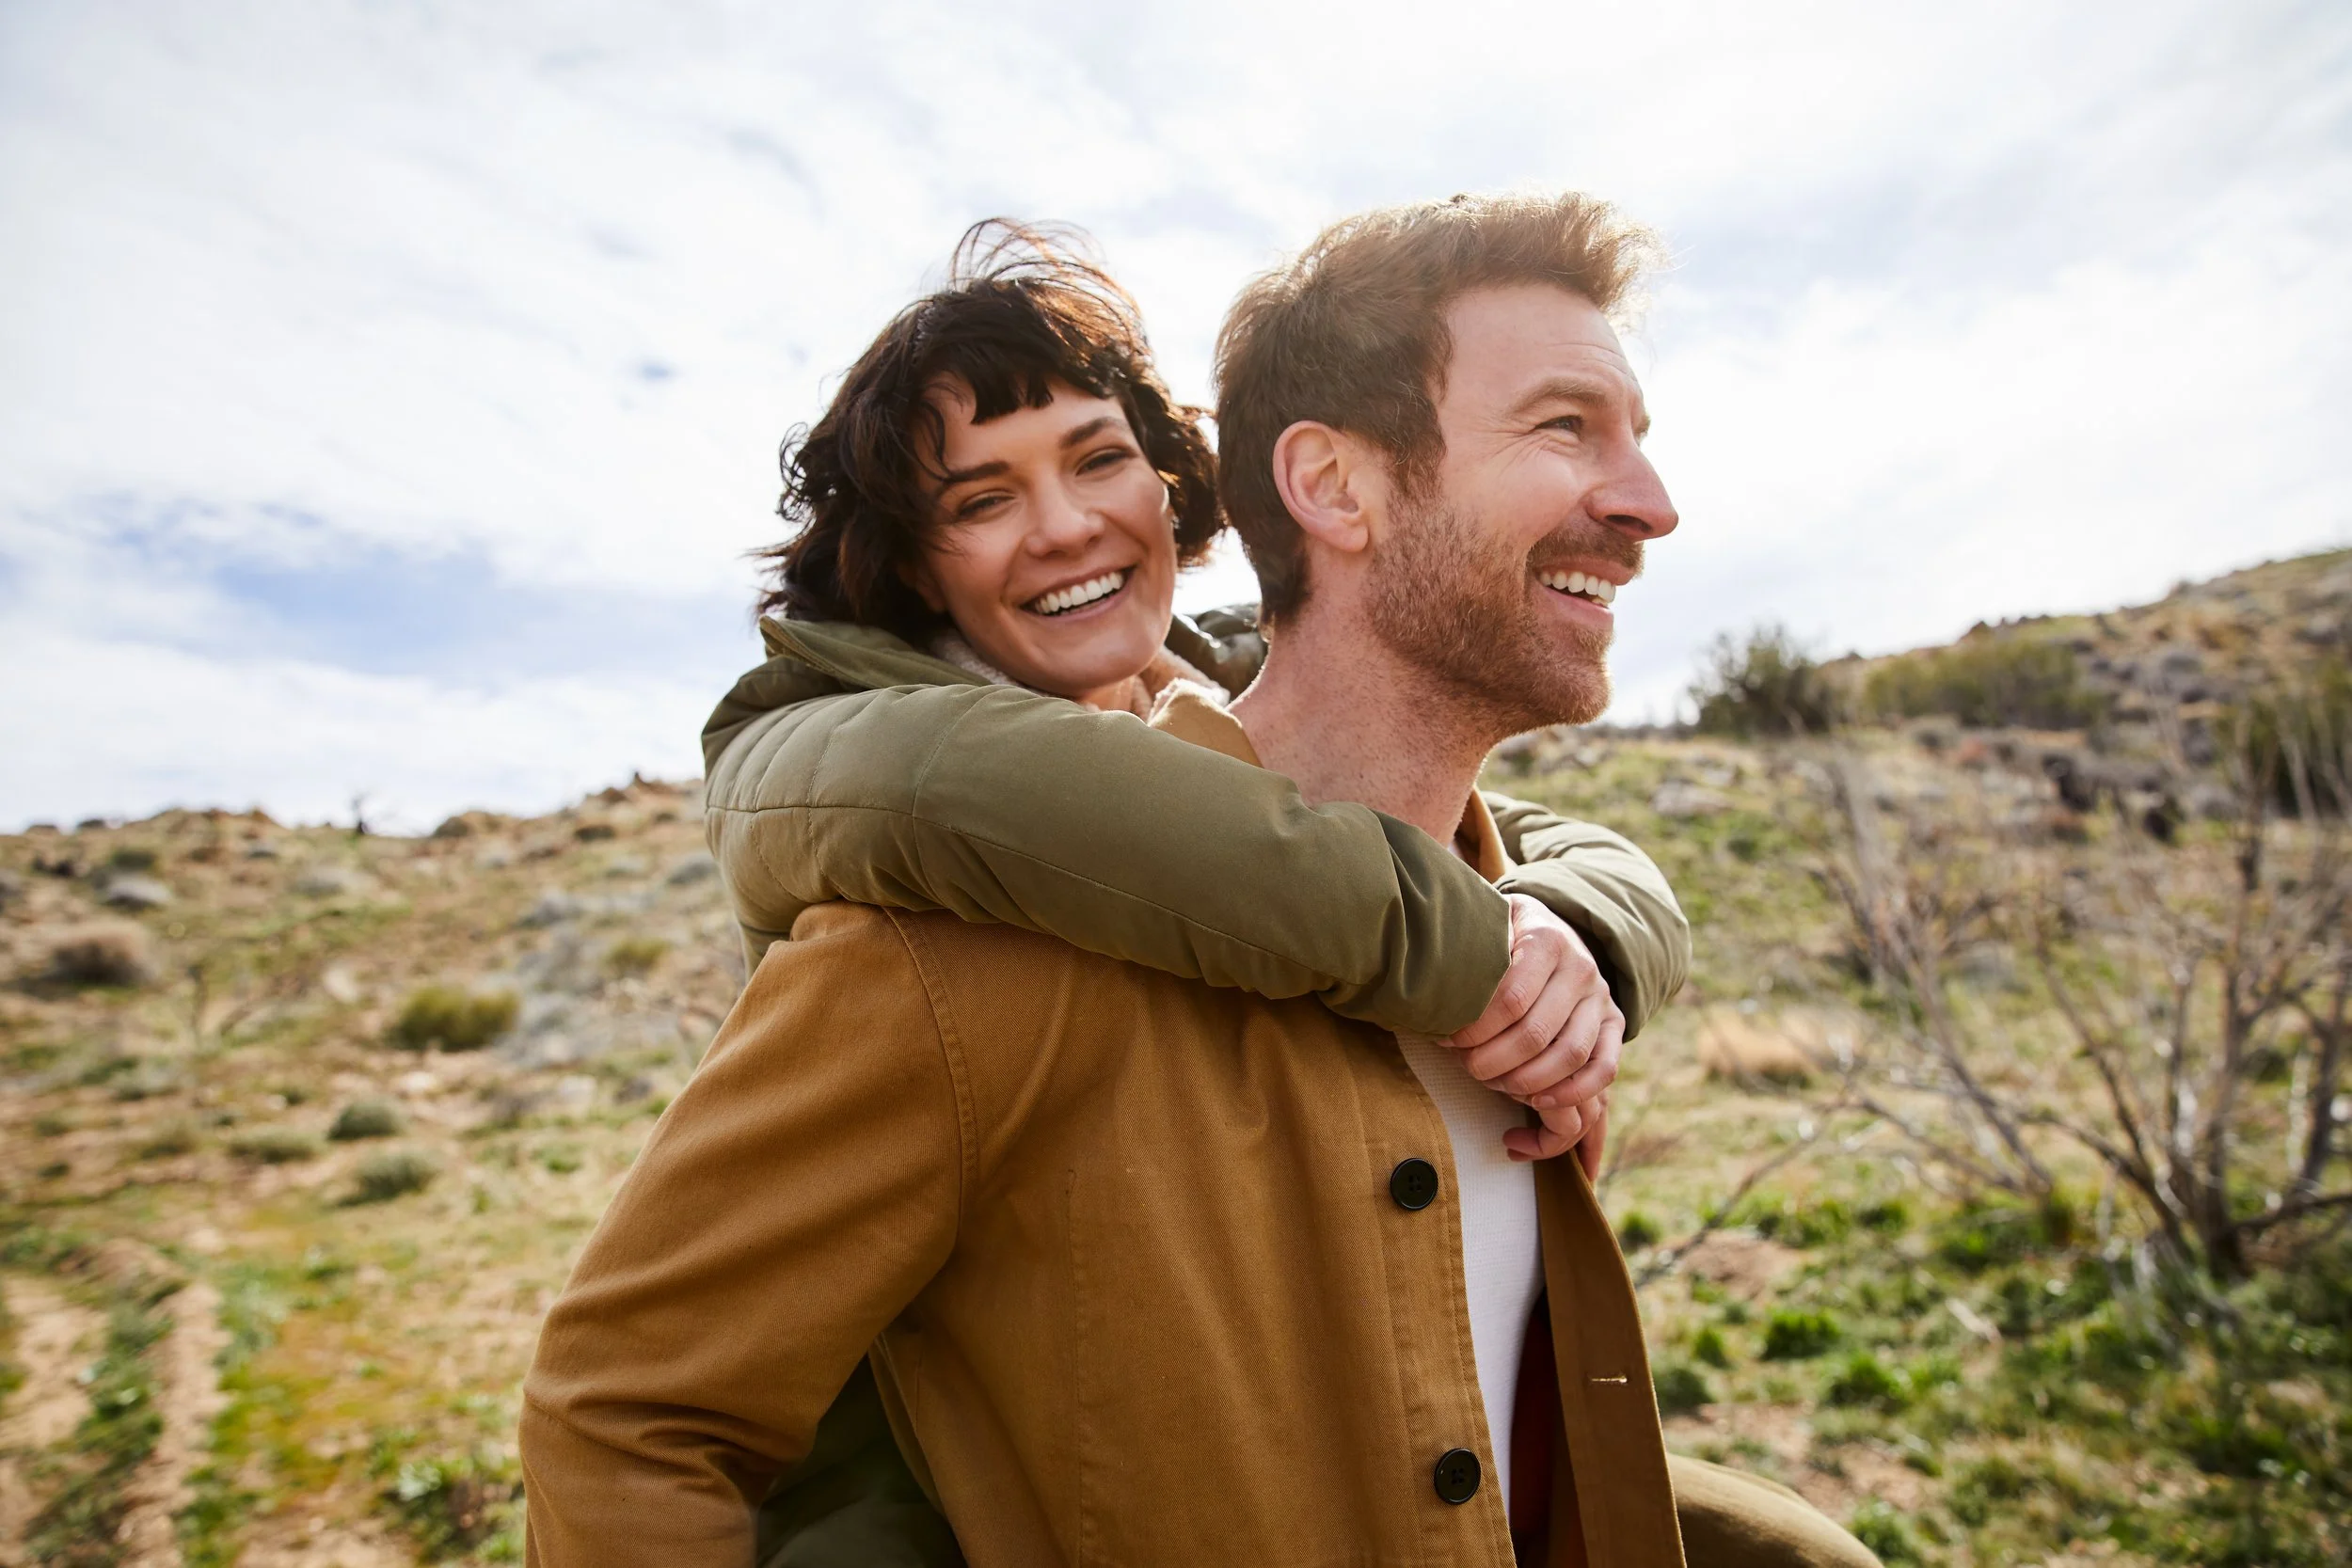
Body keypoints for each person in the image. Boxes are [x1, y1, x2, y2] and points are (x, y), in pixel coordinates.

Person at [522, 196, 1877, 1567]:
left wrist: (1565, 929)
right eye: (1565, 426)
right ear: (1331, 485)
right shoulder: (955, 919)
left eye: (1096, 460)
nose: (1650, 501)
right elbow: (630, 1412)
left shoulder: (1491, 901)